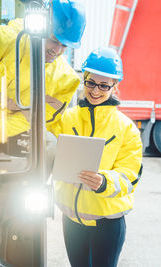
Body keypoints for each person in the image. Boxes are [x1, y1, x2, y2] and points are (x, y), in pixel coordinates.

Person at [50, 47, 143, 267]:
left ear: (114, 86)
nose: (95, 90)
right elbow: (44, 142)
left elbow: (130, 176)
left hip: (107, 224)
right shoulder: (66, 119)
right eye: (91, 83)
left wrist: (104, 181)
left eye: (104, 85)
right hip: (71, 220)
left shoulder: (126, 128)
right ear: (84, 80)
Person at [0, 0, 86, 140]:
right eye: (53, 40)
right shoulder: (0, 40)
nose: (57, 50)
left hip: (13, 134)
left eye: (64, 45)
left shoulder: (65, 80)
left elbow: (36, 117)